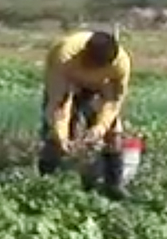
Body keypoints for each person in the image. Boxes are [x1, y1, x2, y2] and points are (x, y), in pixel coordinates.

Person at [37, 29, 132, 182]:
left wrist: (100, 127)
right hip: (68, 82)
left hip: (99, 87)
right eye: (91, 64)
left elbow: (113, 101)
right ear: (85, 54)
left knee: (114, 134)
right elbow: (59, 103)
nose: (94, 68)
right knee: (53, 133)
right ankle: (47, 180)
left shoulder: (121, 64)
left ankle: (113, 184)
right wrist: (61, 135)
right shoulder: (64, 56)